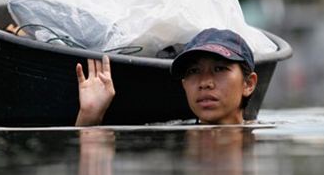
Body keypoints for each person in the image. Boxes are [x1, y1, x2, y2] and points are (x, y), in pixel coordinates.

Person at [75, 28, 258, 126]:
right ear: (183, 84)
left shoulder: (258, 142)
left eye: (219, 69)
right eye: (193, 71)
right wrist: (89, 116)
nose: (205, 83)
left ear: (248, 84)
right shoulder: (171, 138)